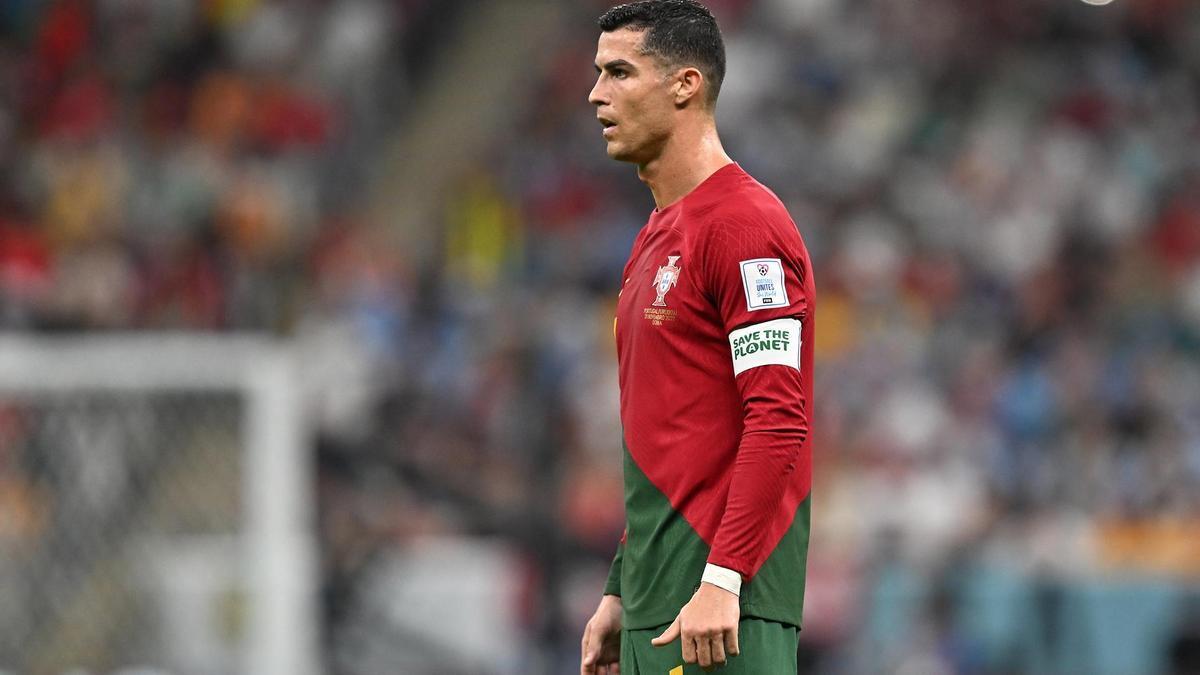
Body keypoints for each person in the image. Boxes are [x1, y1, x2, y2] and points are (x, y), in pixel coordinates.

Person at [579, 1, 815, 673]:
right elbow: (668, 437)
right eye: (598, 73)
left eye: (619, 73)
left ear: (685, 85)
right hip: (660, 610)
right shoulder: (655, 237)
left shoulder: (746, 225)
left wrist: (726, 576)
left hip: (723, 612)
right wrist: (622, 588)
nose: (596, 94)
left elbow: (779, 415)